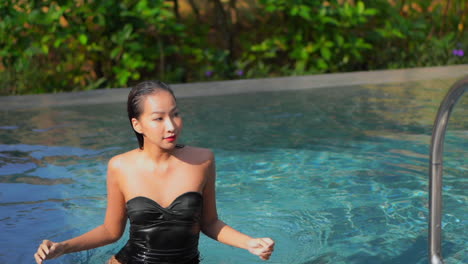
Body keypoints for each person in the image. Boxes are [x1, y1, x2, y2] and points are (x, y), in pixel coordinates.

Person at [34, 80, 275, 264]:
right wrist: (62, 247)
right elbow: (110, 231)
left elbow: (209, 222)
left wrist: (250, 243)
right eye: (158, 118)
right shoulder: (120, 167)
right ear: (137, 124)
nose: (171, 126)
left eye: (175, 114)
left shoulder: (202, 161)